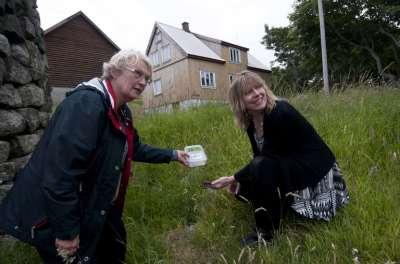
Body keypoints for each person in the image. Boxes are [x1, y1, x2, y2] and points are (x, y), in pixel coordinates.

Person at [0, 49, 189, 263]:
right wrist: (66, 232)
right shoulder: (86, 105)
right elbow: (60, 174)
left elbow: (133, 147)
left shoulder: (122, 111)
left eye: (147, 78)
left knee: (113, 251)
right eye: (138, 73)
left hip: (96, 206)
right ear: (114, 71)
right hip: (57, 215)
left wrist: (173, 154)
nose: (144, 82)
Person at [209, 71, 349, 246]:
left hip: (314, 168)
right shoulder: (252, 122)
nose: (257, 93)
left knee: (258, 169)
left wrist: (233, 177)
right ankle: (275, 205)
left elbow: (266, 158)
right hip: (290, 163)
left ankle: (266, 233)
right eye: (248, 92)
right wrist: (240, 179)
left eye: (259, 87)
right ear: (240, 101)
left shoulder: (279, 111)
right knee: (247, 183)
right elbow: (260, 156)